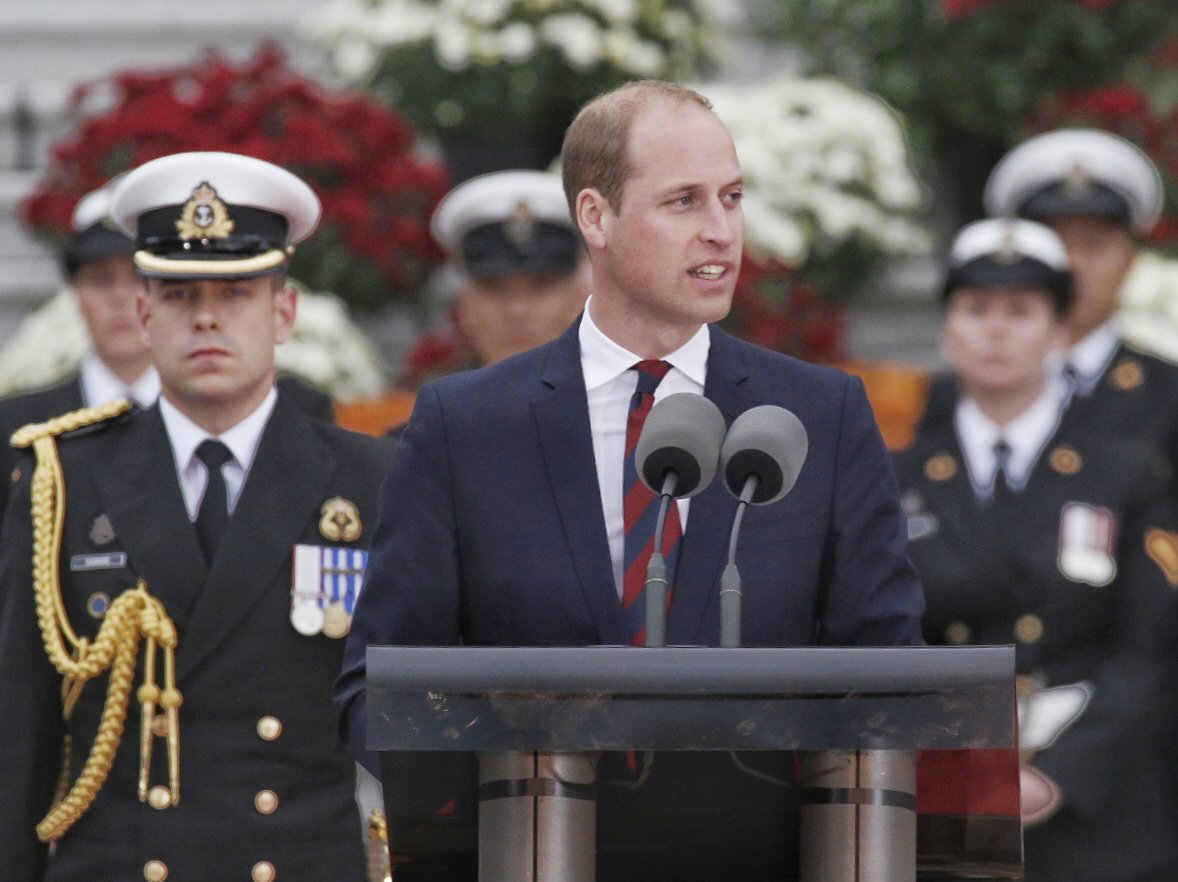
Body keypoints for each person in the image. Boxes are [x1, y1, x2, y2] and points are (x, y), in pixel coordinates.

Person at [336, 80, 924, 880]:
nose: (721, 231)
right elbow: (379, 686)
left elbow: (893, 672)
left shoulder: (822, 416)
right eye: (683, 202)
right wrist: (499, 796)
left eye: (733, 197)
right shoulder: (465, 425)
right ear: (595, 217)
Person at [0, 151, 393, 882]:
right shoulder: (65, 479)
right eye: (180, 295)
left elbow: (405, 720)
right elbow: (20, 728)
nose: (207, 316)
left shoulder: (369, 480)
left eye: (237, 292)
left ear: (284, 311)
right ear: (144, 315)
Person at [893, 218, 1177, 882]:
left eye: (1021, 311)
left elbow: (1147, 649)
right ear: (947, 331)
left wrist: (1056, 776)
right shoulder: (893, 479)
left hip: (1095, 809)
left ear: (1058, 333)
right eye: (975, 309)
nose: (996, 330)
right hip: (941, 796)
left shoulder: (1125, 473)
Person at [0, 182, 156, 511]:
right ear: (75, 293)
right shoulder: (16, 427)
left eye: (140, 279)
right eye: (101, 280)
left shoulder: (203, 415)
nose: (120, 298)